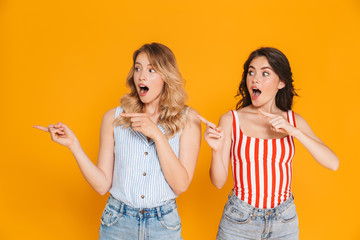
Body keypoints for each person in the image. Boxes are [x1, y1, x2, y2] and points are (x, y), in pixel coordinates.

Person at [34, 42, 201, 240]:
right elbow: (102, 185)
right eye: (138, 68)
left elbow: (180, 185)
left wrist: (157, 134)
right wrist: (74, 146)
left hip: (163, 225)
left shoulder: (189, 119)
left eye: (151, 70)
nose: (142, 76)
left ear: (166, 76)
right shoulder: (113, 118)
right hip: (117, 222)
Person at [198, 47, 339, 240]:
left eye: (265, 73)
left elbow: (333, 163)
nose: (255, 79)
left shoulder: (293, 120)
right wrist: (215, 151)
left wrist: (294, 131)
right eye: (251, 72)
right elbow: (218, 182)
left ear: (281, 82)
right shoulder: (231, 120)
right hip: (239, 221)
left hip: (284, 222)